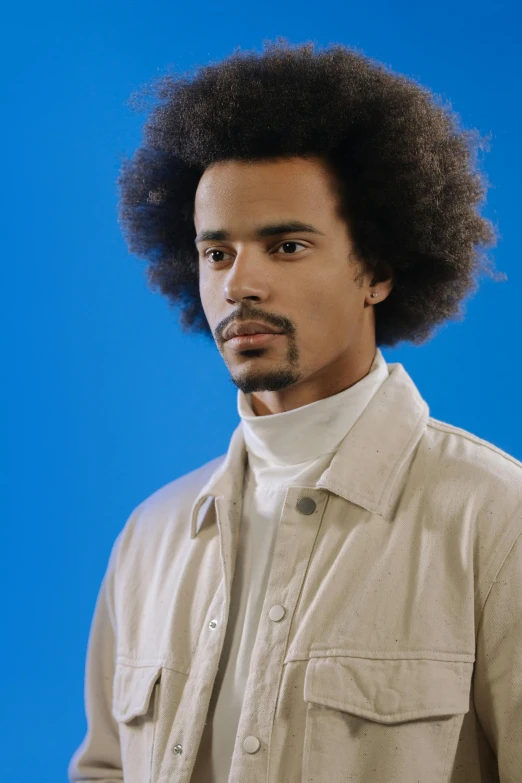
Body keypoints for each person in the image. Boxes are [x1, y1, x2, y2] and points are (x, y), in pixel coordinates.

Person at [68, 38, 521, 783]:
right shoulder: (150, 537)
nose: (240, 283)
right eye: (217, 253)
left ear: (374, 269)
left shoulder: (498, 523)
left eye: (285, 245)